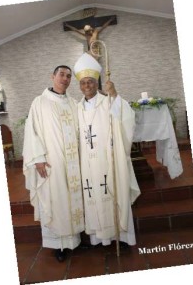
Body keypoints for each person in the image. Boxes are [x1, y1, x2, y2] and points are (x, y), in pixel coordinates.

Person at [74, 52, 141, 248]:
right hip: (87, 163)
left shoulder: (108, 102)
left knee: (112, 191)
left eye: (91, 82)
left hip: (107, 160)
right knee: (92, 196)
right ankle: (99, 238)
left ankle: (120, 235)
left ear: (97, 83)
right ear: (79, 86)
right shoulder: (76, 109)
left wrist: (114, 94)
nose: (87, 86)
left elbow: (126, 117)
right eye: (83, 83)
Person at [22, 65, 84, 262]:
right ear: (52, 76)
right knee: (56, 201)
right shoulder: (39, 103)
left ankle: (74, 240)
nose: (65, 79)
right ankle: (59, 245)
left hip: (74, 163)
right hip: (52, 163)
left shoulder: (74, 103)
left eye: (68, 76)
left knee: (71, 199)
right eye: (61, 75)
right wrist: (38, 159)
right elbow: (32, 132)